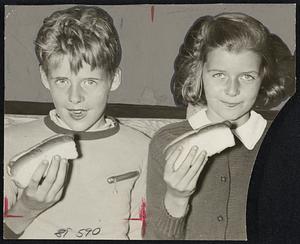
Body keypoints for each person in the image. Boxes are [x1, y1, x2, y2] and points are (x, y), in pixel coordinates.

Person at [144, 12, 295, 240]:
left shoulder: (282, 145)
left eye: (246, 77)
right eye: (219, 75)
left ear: (263, 75)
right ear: (199, 72)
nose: (232, 90)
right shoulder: (165, 142)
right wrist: (176, 198)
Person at [3, 6, 149, 239]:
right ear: (44, 77)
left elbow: (139, 232)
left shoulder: (142, 148)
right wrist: (26, 209)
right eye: (62, 80)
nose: (74, 97)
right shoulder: (10, 142)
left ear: (114, 79)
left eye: (89, 82)